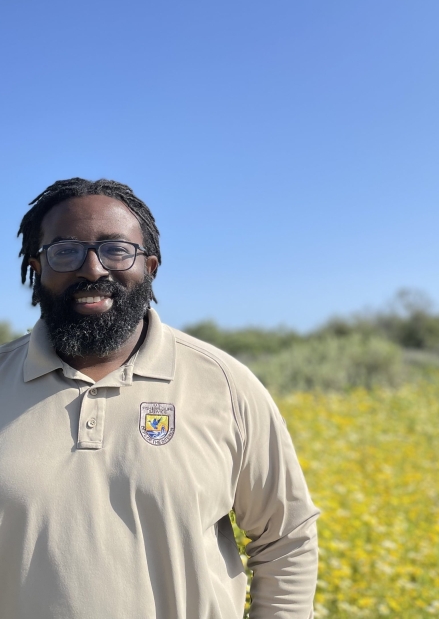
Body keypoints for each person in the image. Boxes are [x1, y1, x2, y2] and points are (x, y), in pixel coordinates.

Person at [0, 177, 319, 619]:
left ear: (150, 266)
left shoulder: (226, 384)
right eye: (66, 250)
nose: (92, 269)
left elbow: (287, 537)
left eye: (116, 249)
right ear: (37, 266)